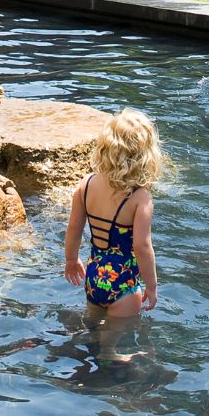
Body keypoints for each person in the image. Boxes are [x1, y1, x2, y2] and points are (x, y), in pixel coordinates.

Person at [64, 109, 164, 319]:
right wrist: (152, 286)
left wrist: (71, 260)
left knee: (92, 330)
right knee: (116, 346)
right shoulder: (140, 197)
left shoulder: (87, 184)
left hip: (93, 276)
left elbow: (74, 228)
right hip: (123, 282)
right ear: (145, 155)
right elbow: (142, 247)